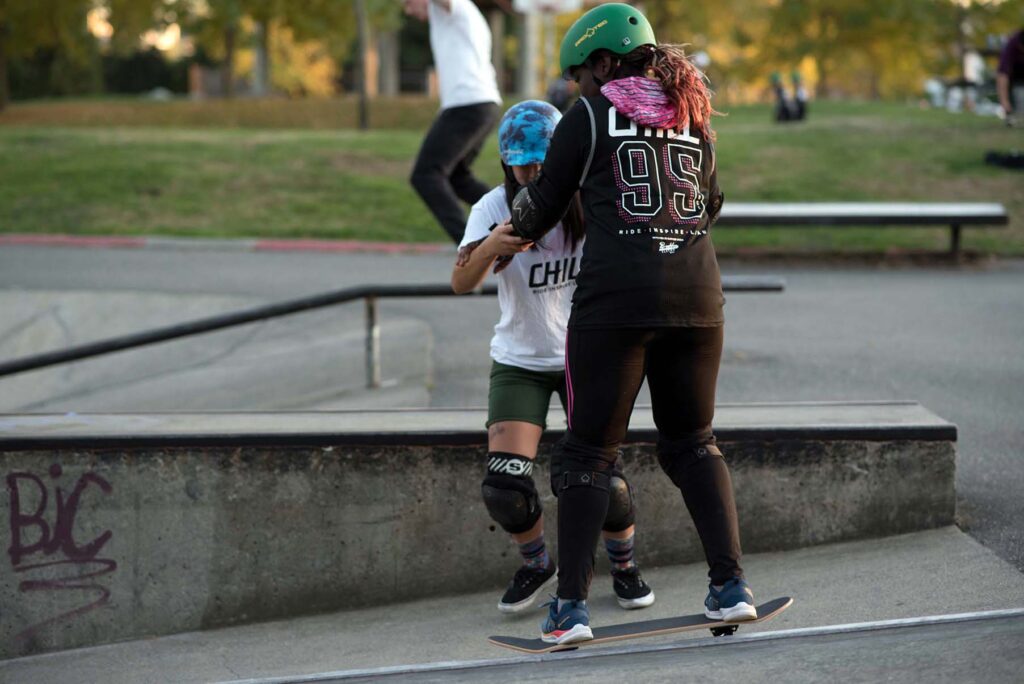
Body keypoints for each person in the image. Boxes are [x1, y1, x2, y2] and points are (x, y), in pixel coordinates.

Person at [504, 3, 756, 645]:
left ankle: (569, 610)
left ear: (602, 61)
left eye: (583, 74)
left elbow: (539, 212)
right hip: (700, 298)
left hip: (616, 302)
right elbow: (713, 202)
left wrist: (504, 226)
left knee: (587, 454)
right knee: (694, 443)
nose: (580, 87)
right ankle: (730, 588)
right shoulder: (692, 113)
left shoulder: (588, 115)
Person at [451, 99, 656, 615]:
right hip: (519, 358)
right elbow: (460, 283)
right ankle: (537, 562)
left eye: (543, 162)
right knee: (504, 486)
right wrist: (491, 246)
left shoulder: (587, 200)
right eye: (522, 163)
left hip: (580, 353)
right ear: (505, 162)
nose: (533, 173)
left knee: (600, 477)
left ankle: (625, 567)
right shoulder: (493, 209)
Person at [403, 0, 502, 243]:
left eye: (408, 2)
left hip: (468, 104)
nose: (408, 10)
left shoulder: (457, 7)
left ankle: (471, 245)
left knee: (426, 175)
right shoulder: (458, 14)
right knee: (457, 178)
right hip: (481, 104)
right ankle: (519, 223)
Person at [996, 28, 1024, 126]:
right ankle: (1011, 116)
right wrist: (1005, 102)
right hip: (1015, 78)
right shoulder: (1011, 45)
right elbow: (1002, 75)